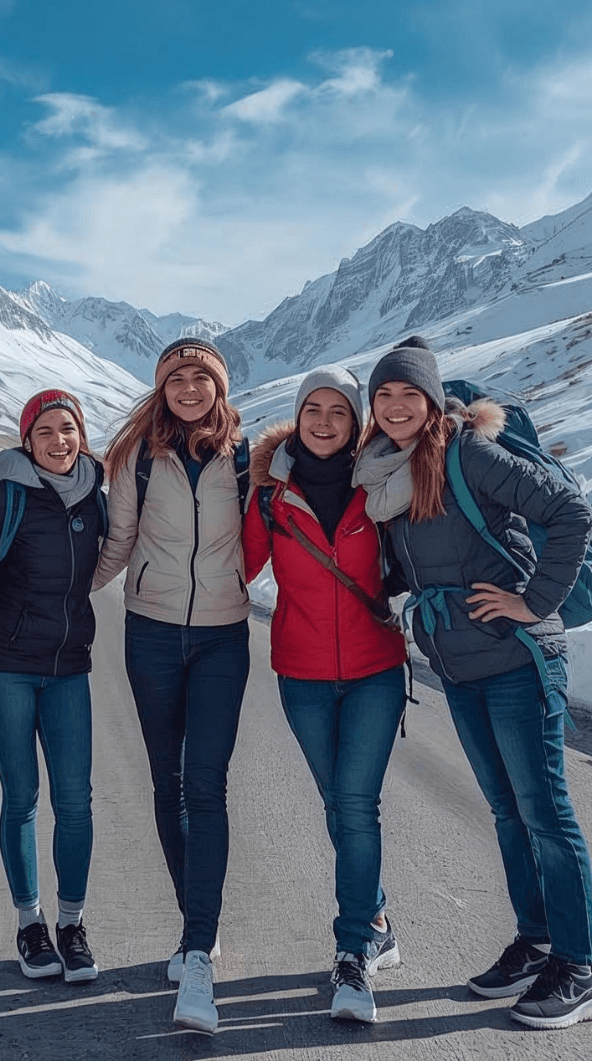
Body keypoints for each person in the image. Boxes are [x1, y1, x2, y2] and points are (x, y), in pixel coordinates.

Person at [354, 336, 592, 1030]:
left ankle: (580, 971)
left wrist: (534, 600)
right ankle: (536, 943)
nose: (398, 405)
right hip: (460, 667)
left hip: (519, 657)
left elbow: (569, 513)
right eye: (386, 394)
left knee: (546, 814)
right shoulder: (389, 475)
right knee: (507, 812)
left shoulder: (466, 452)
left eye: (411, 393)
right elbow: (422, 562)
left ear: (434, 402)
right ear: (373, 406)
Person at [241, 366, 409, 1024]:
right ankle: (377, 916)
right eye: (313, 408)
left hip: (374, 670)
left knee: (354, 803)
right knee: (337, 804)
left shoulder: (383, 486)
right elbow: (237, 566)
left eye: (338, 411)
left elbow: (424, 551)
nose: (323, 421)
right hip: (303, 675)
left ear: (357, 421)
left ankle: (352, 955)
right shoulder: (270, 495)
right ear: (298, 414)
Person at [93, 337, 249, 1036]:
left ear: (218, 385)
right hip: (151, 631)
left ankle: (196, 949)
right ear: (161, 387)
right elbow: (118, 544)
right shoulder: (136, 458)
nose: (189, 387)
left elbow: (279, 537)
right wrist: (56, 599)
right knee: (167, 783)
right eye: (176, 377)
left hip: (223, 634)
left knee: (205, 784)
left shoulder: (248, 457)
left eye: (201, 376)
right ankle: (199, 923)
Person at [0, 389, 107, 983]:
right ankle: (31, 924)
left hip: (69, 666)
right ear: (27, 440)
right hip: (5, 665)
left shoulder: (95, 500)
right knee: (21, 796)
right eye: (46, 431)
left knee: (75, 801)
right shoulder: (3, 499)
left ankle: (72, 924)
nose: (59, 441)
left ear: (81, 435)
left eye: (68, 429)